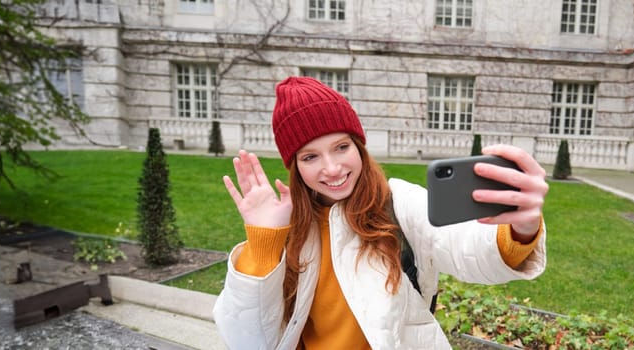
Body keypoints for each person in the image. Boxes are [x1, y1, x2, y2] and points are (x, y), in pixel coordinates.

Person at [212, 76, 549, 349]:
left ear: (359, 147)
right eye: (310, 157)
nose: (331, 168)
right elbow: (247, 339)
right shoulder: (288, 228)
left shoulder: (398, 203)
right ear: (295, 166)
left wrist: (521, 228)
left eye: (341, 147)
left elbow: (464, 246)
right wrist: (263, 244)